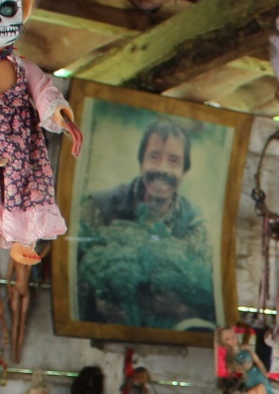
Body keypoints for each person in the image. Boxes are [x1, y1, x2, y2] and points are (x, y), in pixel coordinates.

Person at [77, 115, 215, 329]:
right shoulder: (98, 207)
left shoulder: (194, 225)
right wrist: (97, 300)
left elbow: (206, 302)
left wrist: (179, 309)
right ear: (141, 161)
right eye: (154, 157)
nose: (163, 169)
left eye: (173, 161)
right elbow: (76, 275)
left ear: (184, 170)